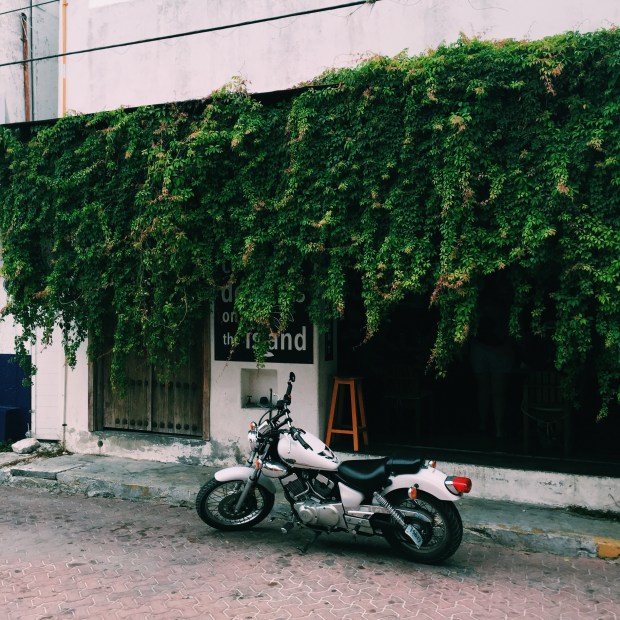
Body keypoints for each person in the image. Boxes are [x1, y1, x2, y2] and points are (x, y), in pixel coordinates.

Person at [470, 281, 515, 451]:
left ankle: (496, 429)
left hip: (497, 347)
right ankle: (490, 427)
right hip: (487, 345)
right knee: (489, 391)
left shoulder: (503, 298)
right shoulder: (491, 297)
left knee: (494, 392)